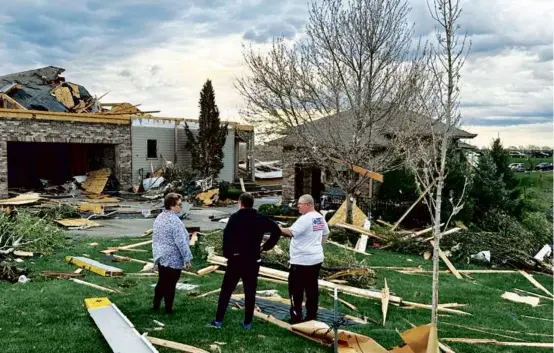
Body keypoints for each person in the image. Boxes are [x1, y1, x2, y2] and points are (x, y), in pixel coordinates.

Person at [210, 192, 281, 329]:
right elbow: (276, 230)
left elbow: (227, 237)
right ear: (252, 203)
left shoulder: (235, 218)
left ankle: (218, 320)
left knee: (226, 291)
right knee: (250, 292)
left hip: (236, 259)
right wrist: (266, 247)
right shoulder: (260, 218)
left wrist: (228, 254)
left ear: (240, 203)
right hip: (253, 259)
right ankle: (247, 323)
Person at [280, 194, 329, 323]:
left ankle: (296, 315)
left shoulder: (305, 219)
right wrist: (318, 247)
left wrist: (273, 228)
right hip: (315, 259)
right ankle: (312, 315)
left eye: (300, 204)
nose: (298, 206)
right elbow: (326, 233)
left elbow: (289, 232)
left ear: (308, 204)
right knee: (312, 287)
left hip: (301, 261)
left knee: (296, 289)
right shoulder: (319, 218)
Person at [152, 192, 192, 314]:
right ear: (171, 205)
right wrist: (187, 258)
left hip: (161, 255)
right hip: (173, 256)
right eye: (179, 205)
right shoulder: (174, 221)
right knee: (170, 284)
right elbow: (181, 242)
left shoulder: (160, 217)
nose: (181, 207)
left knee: (162, 281)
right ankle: (168, 308)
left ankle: (156, 304)